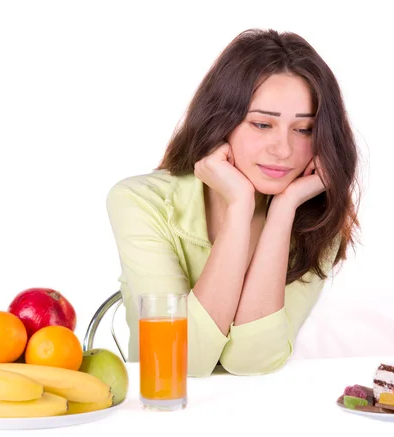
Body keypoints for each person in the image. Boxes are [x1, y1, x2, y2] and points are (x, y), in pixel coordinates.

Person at [106, 28, 361, 378]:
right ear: (221, 120)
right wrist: (239, 209)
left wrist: (284, 212)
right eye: (261, 124)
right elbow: (178, 364)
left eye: (303, 130)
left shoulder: (317, 219)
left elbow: (252, 361)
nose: (283, 149)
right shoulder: (140, 202)